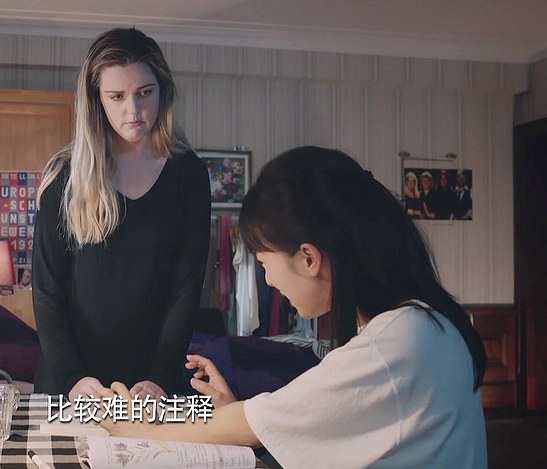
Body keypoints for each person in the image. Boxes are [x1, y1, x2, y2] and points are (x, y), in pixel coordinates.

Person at [100, 146, 487, 468]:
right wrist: (235, 413)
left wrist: (138, 431)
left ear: (308, 258)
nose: (268, 281)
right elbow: (278, 422)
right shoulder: (425, 325)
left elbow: (254, 424)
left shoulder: (395, 345)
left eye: (265, 263)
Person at [32, 27, 211, 402]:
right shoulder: (64, 176)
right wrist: (73, 377)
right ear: (96, 100)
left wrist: (160, 377)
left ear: (162, 91)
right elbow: (47, 291)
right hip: (72, 383)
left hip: (154, 383)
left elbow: (186, 287)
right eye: (117, 96)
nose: (134, 110)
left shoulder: (189, 174)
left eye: (145, 92)